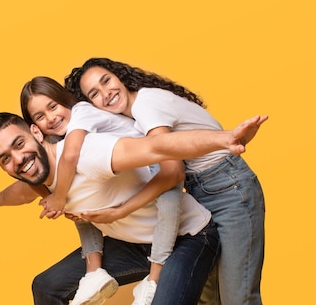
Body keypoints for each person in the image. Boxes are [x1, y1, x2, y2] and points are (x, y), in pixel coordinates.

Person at [0, 111, 265, 305]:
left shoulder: (89, 154)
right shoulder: (38, 179)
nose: (17, 159)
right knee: (45, 286)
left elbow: (157, 148)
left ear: (36, 133)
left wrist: (224, 139)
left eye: (19, 144)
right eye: (4, 159)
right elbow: (18, 194)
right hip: (136, 245)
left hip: (188, 238)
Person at [65, 57, 266, 305]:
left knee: (238, 298)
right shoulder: (132, 119)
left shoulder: (146, 106)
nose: (106, 93)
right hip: (201, 192)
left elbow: (172, 171)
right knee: (209, 298)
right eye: (94, 93)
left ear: (119, 76)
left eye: (106, 81)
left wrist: (119, 211)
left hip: (227, 189)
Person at [19, 76, 187, 305]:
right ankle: (94, 272)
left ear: (65, 100)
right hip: (129, 174)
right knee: (75, 196)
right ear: (33, 127)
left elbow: (69, 156)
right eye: (40, 116)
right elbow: (32, 180)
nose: (51, 118)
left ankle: (154, 278)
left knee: (169, 200)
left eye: (53, 106)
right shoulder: (56, 138)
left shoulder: (81, 112)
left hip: (153, 157)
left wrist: (58, 198)